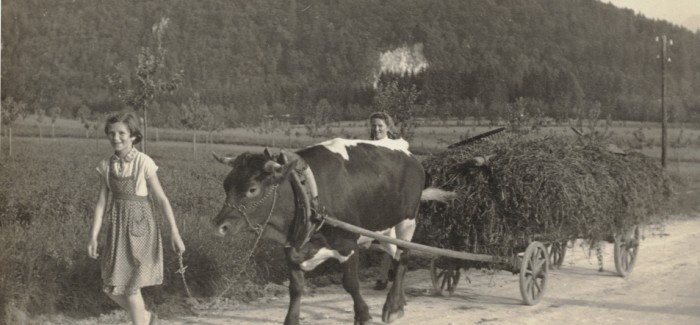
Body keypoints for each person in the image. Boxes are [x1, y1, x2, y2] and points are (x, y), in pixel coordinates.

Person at [87, 113, 185, 325]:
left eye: (122, 133)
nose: (116, 138)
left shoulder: (143, 162)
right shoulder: (105, 166)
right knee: (111, 288)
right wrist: (93, 236)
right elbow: (101, 203)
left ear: (133, 136)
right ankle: (146, 318)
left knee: (131, 289)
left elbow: (161, 199)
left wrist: (175, 233)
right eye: (111, 133)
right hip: (117, 230)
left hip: (141, 228)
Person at [368, 111, 398, 290]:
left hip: (389, 194)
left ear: (388, 127)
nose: (377, 129)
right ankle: (389, 270)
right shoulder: (366, 145)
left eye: (380, 126)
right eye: (374, 126)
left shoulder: (393, 146)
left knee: (388, 235)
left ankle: (383, 276)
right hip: (370, 194)